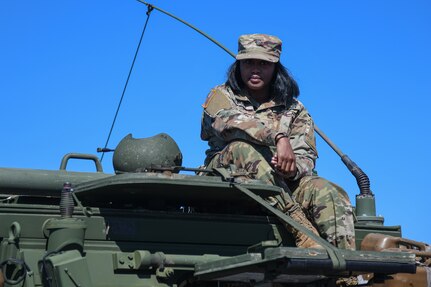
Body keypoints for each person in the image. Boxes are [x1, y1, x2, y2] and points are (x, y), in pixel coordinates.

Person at [200, 34, 356, 250]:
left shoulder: (294, 109)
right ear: (239, 64)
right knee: (242, 149)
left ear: (275, 67)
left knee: (327, 191)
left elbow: (306, 157)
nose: (255, 69)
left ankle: (344, 271)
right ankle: (301, 230)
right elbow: (228, 124)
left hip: (281, 183)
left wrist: (291, 169)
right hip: (227, 177)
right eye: (248, 62)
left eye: (263, 64)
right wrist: (278, 138)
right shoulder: (221, 95)